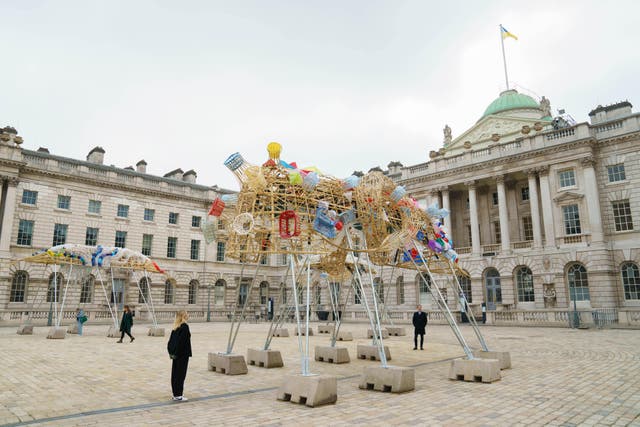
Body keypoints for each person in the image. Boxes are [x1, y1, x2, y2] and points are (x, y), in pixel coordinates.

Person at [168, 310, 192, 402]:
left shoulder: (175, 327)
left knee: (175, 374)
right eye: (187, 314)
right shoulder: (185, 327)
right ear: (183, 316)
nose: (188, 315)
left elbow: (171, 342)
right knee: (180, 375)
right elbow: (182, 342)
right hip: (182, 355)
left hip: (176, 355)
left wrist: (173, 353)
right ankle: (178, 395)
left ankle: (175, 393)